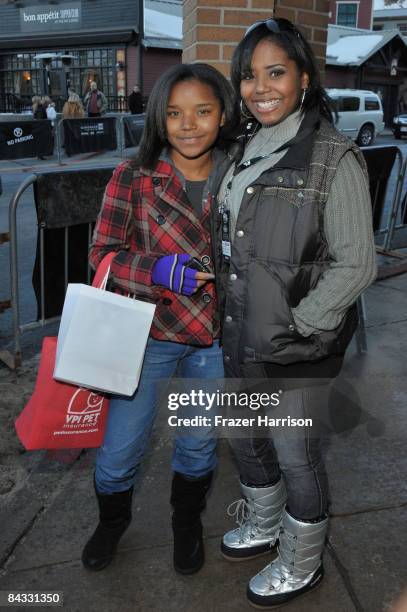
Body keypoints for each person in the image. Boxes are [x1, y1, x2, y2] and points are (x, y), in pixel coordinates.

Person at [213, 18, 377, 608]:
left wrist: (299, 325)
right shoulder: (243, 145)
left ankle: (303, 561)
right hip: (240, 331)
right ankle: (263, 522)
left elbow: (357, 265)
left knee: (294, 455)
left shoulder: (335, 157)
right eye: (249, 75)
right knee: (242, 435)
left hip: (296, 345)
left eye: (275, 72)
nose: (260, 87)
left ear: (304, 78)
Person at [84, 63, 238, 576]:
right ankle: (112, 522)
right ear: (159, 118)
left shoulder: (238, 174)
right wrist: (160, 271)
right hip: (147, 336)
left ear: (222, 115)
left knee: (197, 444)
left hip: (215, 338)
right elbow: (102, 255)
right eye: (174, 113)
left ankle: (186, 523)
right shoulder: (133, 175)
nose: (188, 124)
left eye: (202, 111)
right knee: (120, 448)